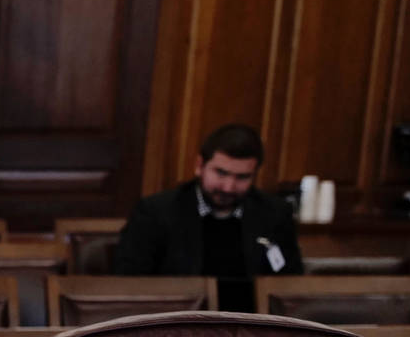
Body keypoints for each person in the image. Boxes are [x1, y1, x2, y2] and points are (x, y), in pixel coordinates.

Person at [114, 123, 302, 312]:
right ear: (199, 166)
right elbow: (130, 282)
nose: (228, 187)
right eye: (221, 173)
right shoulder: (156, 212)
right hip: (176, 324)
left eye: (242, 177)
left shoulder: (274, 214)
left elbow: (289, 285)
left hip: (252, 325)